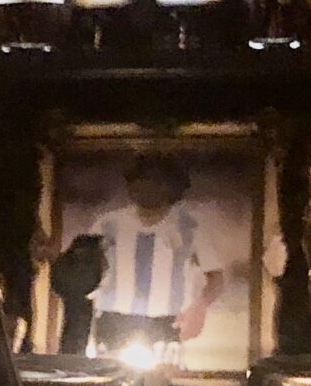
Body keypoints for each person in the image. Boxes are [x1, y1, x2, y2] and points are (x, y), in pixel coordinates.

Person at [86, 154, 226, 360]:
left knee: (162, 378)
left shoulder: (189, 226)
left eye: (155, 180)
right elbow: (83, 270)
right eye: (140, 179)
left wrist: (199, 308)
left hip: (168, 322)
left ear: (170, 186)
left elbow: (215, 277)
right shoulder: (108, 224)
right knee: (109, 376)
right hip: (113, 319)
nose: (146, 187)